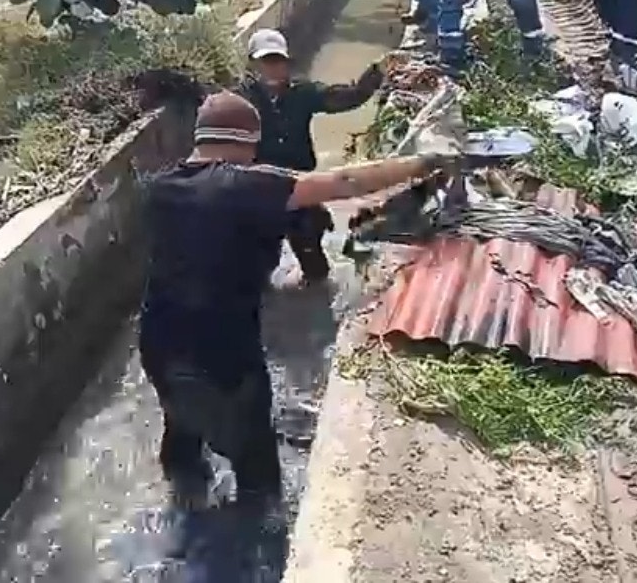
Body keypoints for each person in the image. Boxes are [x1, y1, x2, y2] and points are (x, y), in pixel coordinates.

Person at [139, 90, 455, 507]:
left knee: (181, 419)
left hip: (157, 341)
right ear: (248, 142)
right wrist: (425, 162)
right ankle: (254, 531)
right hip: (222, 349)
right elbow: (345, 182)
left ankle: (184, 491)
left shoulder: (160, 187)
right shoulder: (248, 183)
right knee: (256, 469)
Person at [235, 28, 387, 284]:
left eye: (278, 61)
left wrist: (377, 73)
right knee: (253, 276)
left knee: (315, 264)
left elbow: (346, 98)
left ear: (287, 63)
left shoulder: (302, 93)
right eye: (266, 62)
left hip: (300, 186)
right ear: (252, 64)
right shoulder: (238, 99)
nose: (273, 69)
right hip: (257, 189)